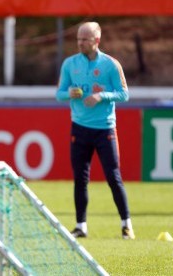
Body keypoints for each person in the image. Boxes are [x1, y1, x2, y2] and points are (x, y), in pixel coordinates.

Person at [56, 22, 135, 240]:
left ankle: (126, 224)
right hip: (79, 128)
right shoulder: (70, 64)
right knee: (80, 179)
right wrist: (70, 93)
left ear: (96, 41)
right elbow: (59, 94)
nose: (80, 43)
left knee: (113, 176)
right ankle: (81, 225)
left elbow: (124, 94)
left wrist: (102, 96)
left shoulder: (110, 65)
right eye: (78, 39)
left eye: (85, 39)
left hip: (105, 129)